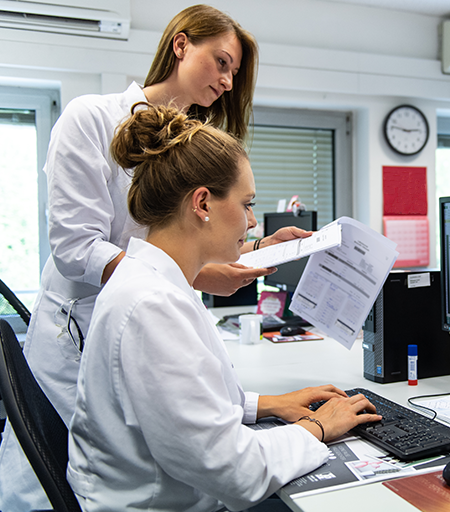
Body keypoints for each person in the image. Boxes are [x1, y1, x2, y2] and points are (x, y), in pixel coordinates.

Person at [0, 6, 310, 510]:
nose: (228, 82)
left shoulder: (182, 148)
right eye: (223, 62)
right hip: (78, 331)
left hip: (135, 316)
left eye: (235, 73)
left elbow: (177, 238)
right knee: (47, 483)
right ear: (181, 45)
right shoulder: (92, 118)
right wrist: (184, 282)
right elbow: (78, 246)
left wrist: (251, 251)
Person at [68, 102, 379, 511]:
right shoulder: (150, 305)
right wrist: (318, 426)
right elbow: (234, 470)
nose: (252, 222)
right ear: (202, 204)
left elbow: (185, 407)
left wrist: (264, 404)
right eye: (247, 204)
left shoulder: (153, 282)